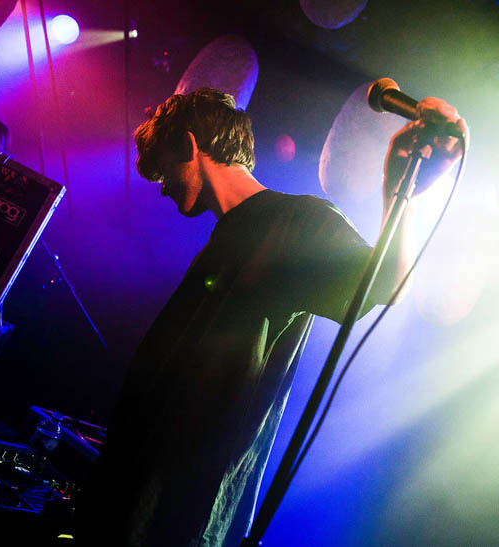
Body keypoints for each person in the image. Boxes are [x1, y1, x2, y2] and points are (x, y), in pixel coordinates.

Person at [77, 88, 467, 546]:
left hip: (181, 509)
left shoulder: (296, 221)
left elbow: (388, 284)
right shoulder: (228, 235)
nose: (161, 185)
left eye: (163, 168)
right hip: (140, 499)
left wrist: (401, 190)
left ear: (188, 144)